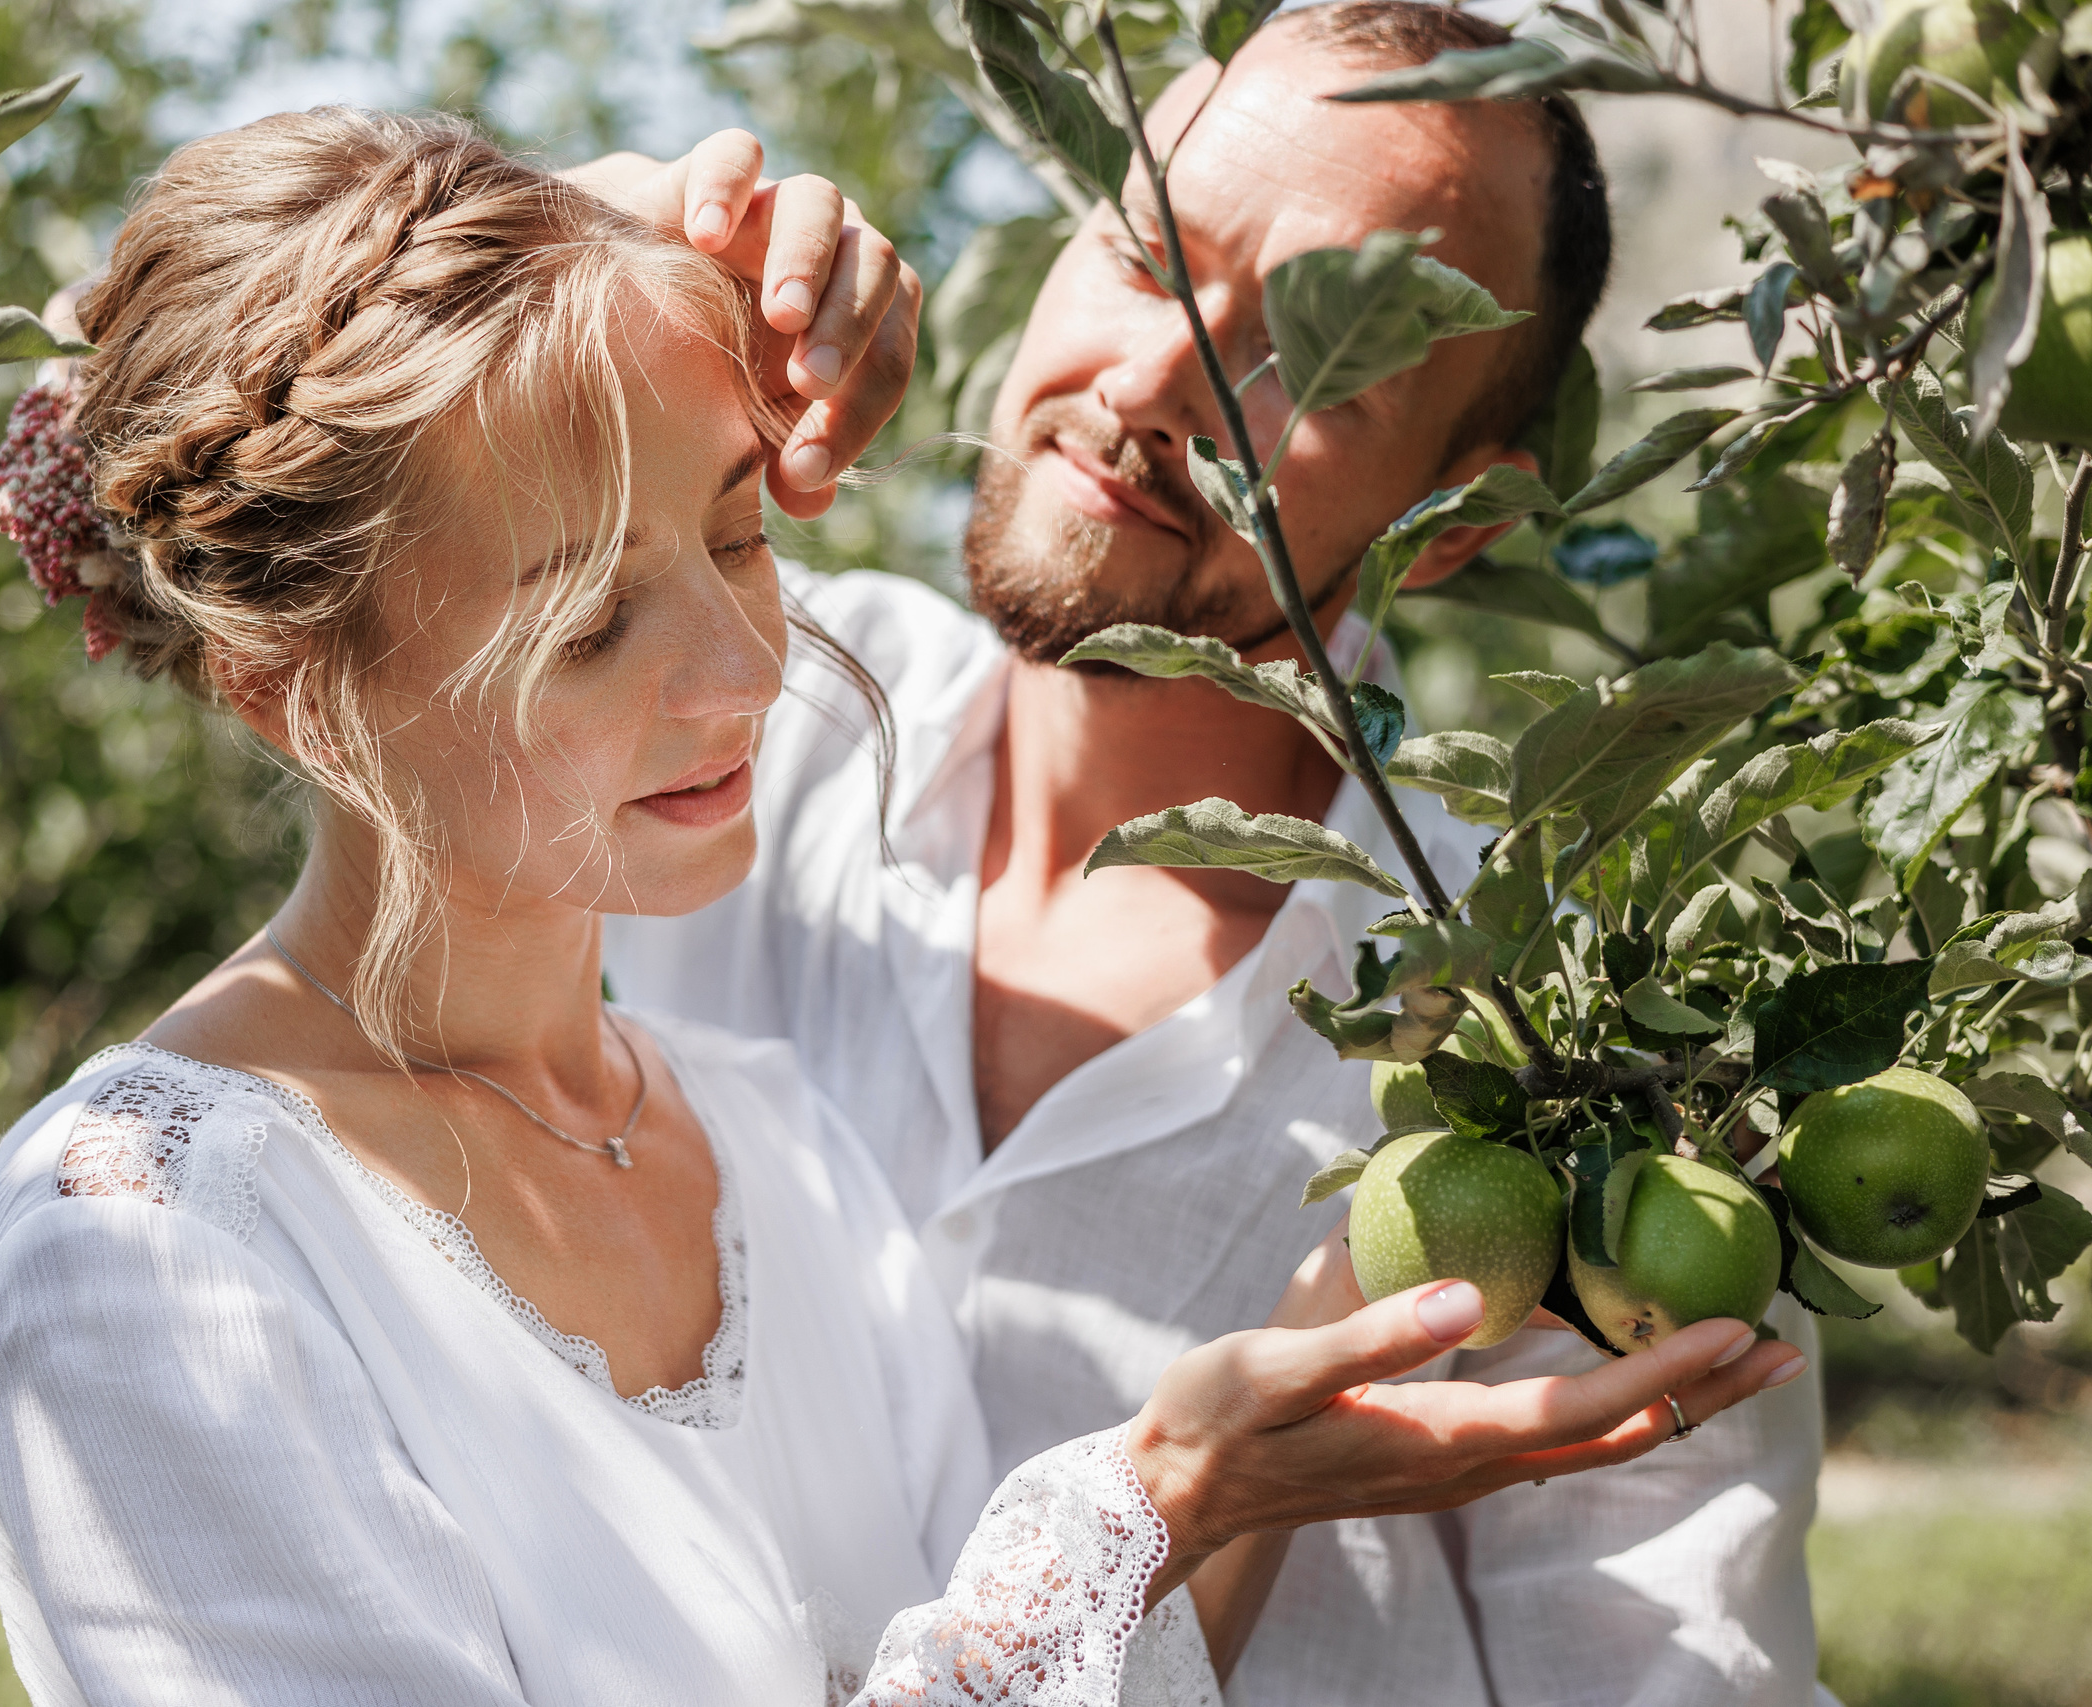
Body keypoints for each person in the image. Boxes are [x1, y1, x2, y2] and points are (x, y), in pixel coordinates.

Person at [0, 105, 1801, 1707]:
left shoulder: (769, 1154)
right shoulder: (151, 1252)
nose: (744, 672)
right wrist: (1151, 1499)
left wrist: (1209, 1498)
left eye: (748, 532)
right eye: (590, 622)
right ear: (289, 689)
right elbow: (284, 442)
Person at [602, 4, 1835, 1703]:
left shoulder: (1563, 1055)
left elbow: (1664, 1674)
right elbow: (165, 497)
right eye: (1144, 253)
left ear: (1457, 518)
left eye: (1322, 359)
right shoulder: (736, 711)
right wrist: (583, 267)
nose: (1153, 376)